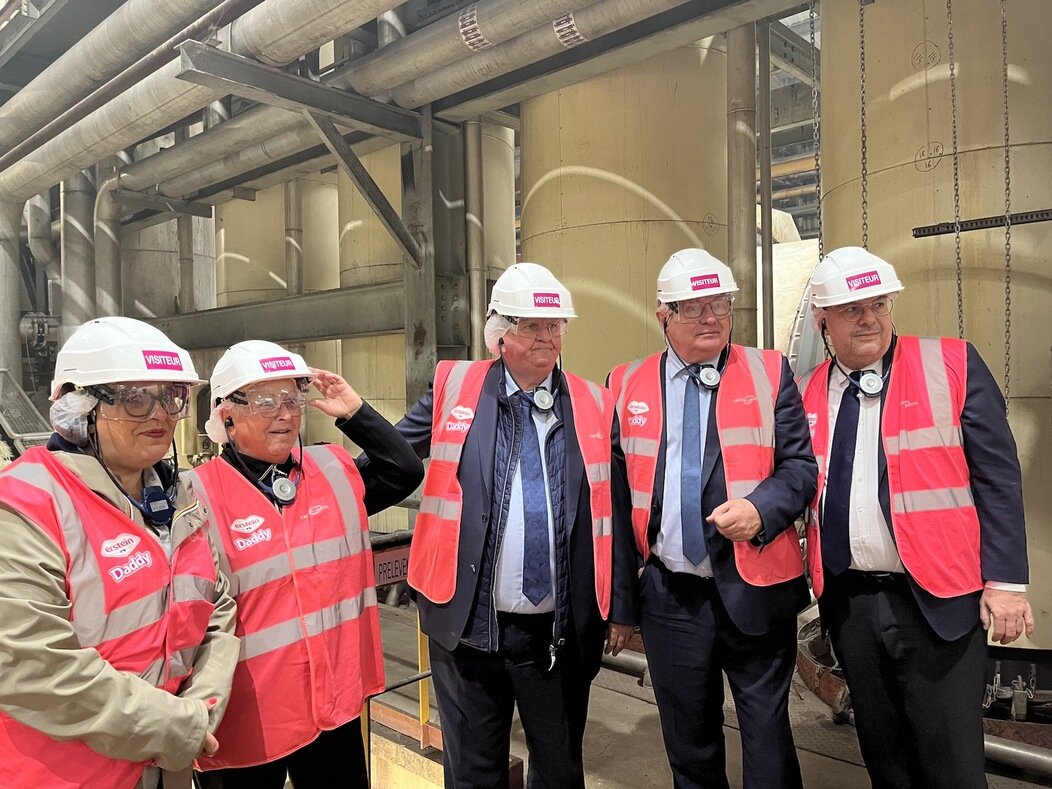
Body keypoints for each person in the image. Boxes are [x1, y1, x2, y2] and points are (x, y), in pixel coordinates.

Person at [797, 246, 1033, 789]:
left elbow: (998, 477)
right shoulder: (808, 390)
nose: (869, 318)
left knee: (951, 761)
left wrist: (1006, 584)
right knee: (885, 756)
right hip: (850, 603)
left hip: (939, 601)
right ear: (822, 319)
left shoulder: (950, 363)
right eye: (852, 309)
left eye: (879, 304)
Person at [395, 262, 613, 788]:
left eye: (555, 325)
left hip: (556, 635)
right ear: (499, 333)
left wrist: (619, 606)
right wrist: (351, 426)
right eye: (531, 325)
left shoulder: (592, 401)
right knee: (474, 773)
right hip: (468, 626)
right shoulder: (456, 386)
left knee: (559, 772)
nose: (547, 337)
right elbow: (396, 456)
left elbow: (616, 510)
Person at [607, 249, 817, 789]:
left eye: (720, 303)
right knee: (689, 741)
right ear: (663, 316)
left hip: (756, 587)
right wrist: (623, 609)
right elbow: (613, 501)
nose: (710, 317)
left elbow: (800, 468)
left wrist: (760, 509)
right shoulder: (625, 383)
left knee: (767, 738)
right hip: (670, 598)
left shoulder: (770, 372)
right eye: (693, 307)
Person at [0, 316, 239, 789]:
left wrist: (201, 711)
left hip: (168, 766)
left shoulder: (180, 498)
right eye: (135, 397)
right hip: (68, 776)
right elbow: (30, 664)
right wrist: (176, 725)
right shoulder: (26, 505)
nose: (161, 415)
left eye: (171, 397)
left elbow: (218, 607)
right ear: (79, 407)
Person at [189, 340, 422, 789]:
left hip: (331, 708)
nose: (285, 413)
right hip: (245, 720)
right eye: (264, 400)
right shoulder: (196, 499)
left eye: (292, 398)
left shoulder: (331, 471)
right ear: (226, 415)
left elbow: (404, 469)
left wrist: (355, 413)